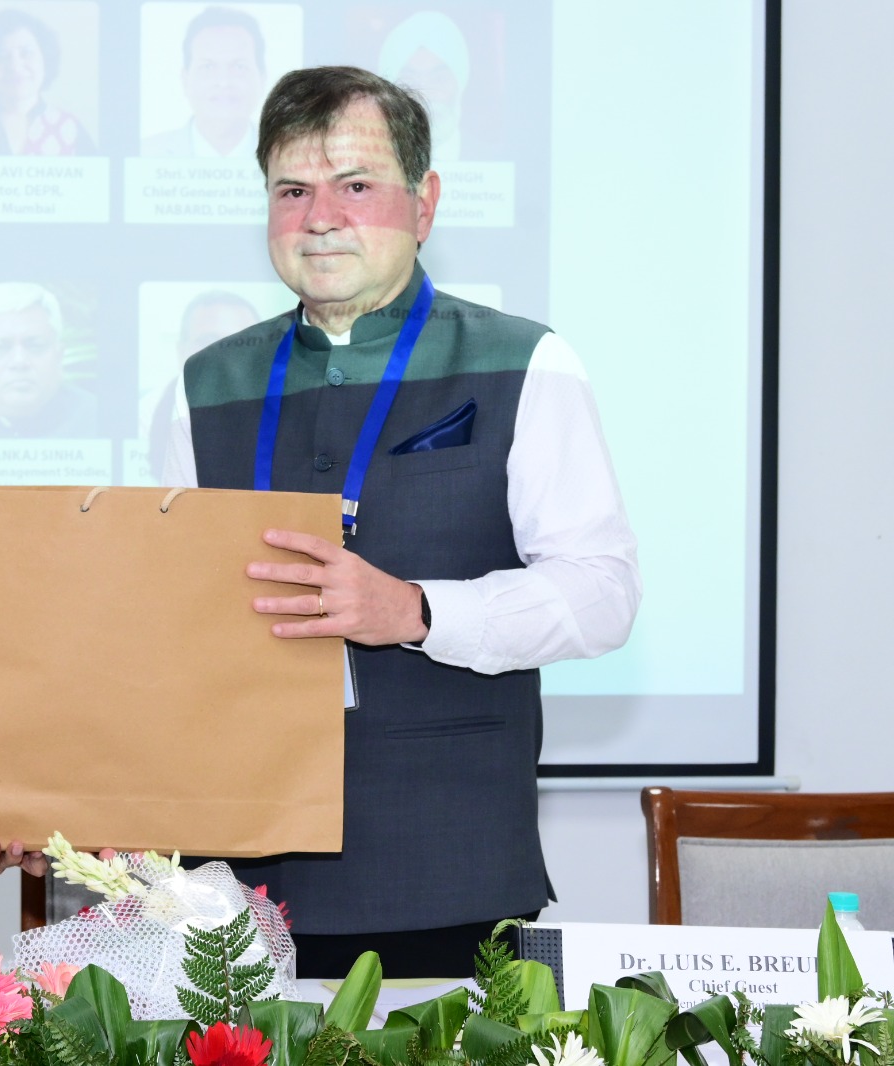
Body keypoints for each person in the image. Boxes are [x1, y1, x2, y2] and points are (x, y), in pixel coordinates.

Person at [162, 66, 640, 977]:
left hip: (450, 872)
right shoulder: (201, 385)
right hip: (233, 890)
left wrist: (418, 611)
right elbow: (170, 627)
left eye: (356, 185)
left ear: (425, 204)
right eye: (291, 191)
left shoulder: (528, 362)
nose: (320, 217)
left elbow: (603, 594)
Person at [0, 282, 99, 439]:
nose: (19, 361)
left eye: (35, 346)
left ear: (59, 357)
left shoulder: (98, 420)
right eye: (0, 348)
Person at [0, 7, 94, 156]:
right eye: (1, 55)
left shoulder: (69, 127)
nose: (14, 66)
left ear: (46, 59)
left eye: (26, 53)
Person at [144, 289, 260, 479]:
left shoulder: (288, 413)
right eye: (208, 341)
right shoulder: (146, 416)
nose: (224, 355)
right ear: (181, 351)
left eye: (241, 342)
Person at [142, 6, 266, 158]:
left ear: (262, 78)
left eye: (239, 67)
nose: (223, 82)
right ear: (185, 79)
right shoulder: (146, 153)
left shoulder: (285, 153)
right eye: (208, 67)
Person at [377, 11, 470, 165]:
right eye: (409, 81)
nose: (427, 94)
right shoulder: (369, 157)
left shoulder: (493, 156)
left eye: (439, 79)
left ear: (460, 83)